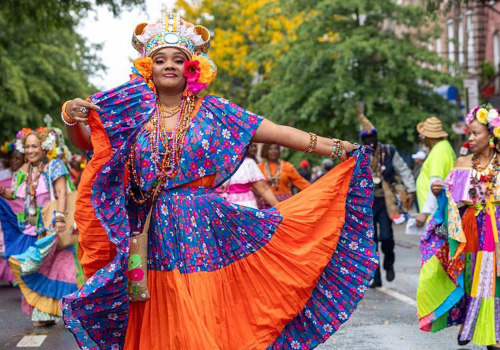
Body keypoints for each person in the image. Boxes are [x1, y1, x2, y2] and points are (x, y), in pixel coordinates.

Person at [59, 13, 377, 350]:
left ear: (192, 67)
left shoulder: (215, 111)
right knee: (158, 312)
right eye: (160, 59)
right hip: (150, 231)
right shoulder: (130, 112)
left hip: (204, 229)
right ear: (146, 66)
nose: (169, 65)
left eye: (178, 60)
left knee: (201, 312)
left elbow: (279, 133)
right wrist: (69, 116)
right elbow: (88, 143)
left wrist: (339, 147)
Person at [417, 105, 500, 349]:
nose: (470, 138)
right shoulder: (462, 162)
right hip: (471, 232)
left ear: (492, 134)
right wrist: (440, 193)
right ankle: (477, 325)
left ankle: (493, 332)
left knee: (495, 281)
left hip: (497, 231)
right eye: (469, 134)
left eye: (475, 133)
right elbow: (451, 201)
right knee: (474, 279)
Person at [0, 128, 81, 327]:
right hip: (32, 229)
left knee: (56, 270)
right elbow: (14, 195)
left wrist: (61, 218)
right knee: (36, 268)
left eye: (34, 146)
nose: (30, 150)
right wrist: (2, 190)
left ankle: (61, 311)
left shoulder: (55, 166)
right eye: (27, 146)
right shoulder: (24, 171)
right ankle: (44, 312)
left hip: (53, 228)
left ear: (44, 147)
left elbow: (62, 193)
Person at [357, 108, 416, 288]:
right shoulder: (359, 154)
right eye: (366, 138)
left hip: (386, 200)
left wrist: (411, 189)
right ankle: (376, 277)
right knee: (370, 240)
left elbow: (403, 170)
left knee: (387, 237)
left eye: (373, 137)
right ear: (362, 140)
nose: (370, 141)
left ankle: (389, 262)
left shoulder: (389, 151)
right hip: (366, 202)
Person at [415, 117, 456, 228]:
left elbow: (436, 183)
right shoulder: (443, 147)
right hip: (437, 214)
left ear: (428, 137)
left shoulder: (439, 151)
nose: (422, 140)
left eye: (422, 136)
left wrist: (425, 213)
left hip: (435, 217)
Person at [0, 143, 24, 284]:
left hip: (21, 218)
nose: (14, 161)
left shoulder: (25, 175)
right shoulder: (2, 175)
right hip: (3, 216)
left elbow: (17, 196)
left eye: (18, 159)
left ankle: (16, 276)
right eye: (12, 158)